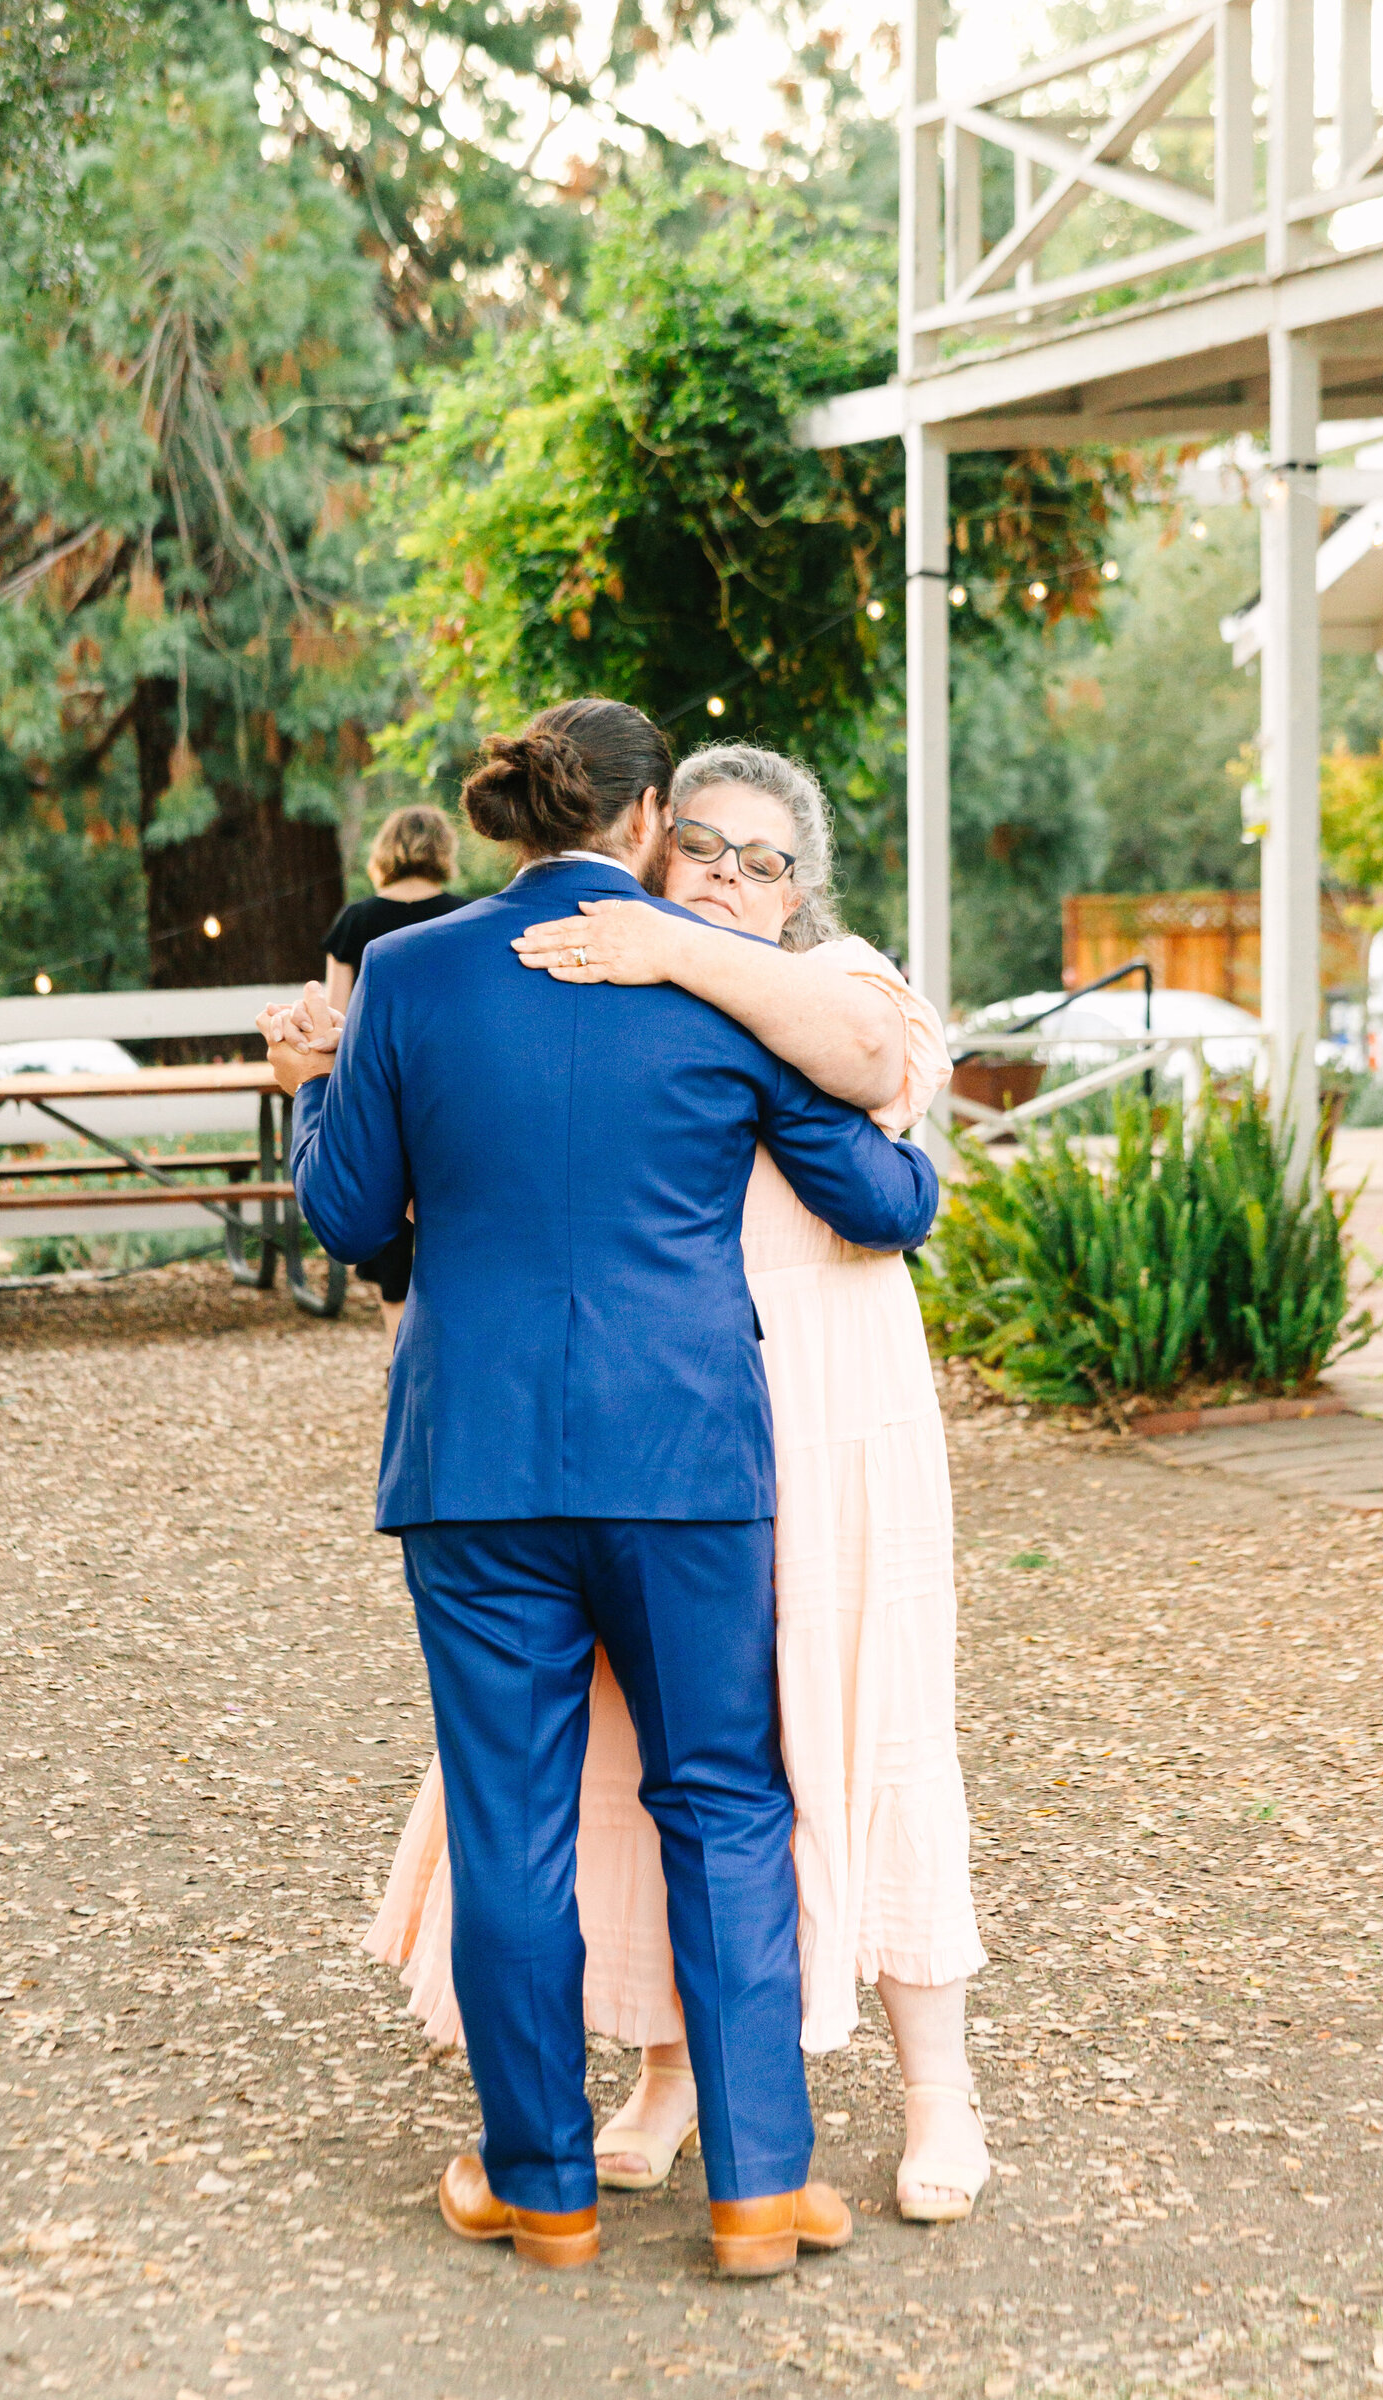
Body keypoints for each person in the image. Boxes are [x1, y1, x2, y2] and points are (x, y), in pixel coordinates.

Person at [258, 700, 938, 2277]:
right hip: (688, 1457)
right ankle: (760, 2189)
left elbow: (354, 1213)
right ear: (647, 824)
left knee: (510, 1820)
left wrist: (313, 1077)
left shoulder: (415, 972)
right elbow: (872, 1194)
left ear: (515, 820)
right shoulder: (721, 988)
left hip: (475, 1461)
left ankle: (543, 2187)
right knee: (724, 1802)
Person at [321, 806, 467, 1353]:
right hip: (451, 1091)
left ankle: (397, 1354)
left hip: (381, 1090)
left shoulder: (356, 922)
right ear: (442, 852)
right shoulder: (468, 915)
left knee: (389, 1222)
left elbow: (336, 1016)